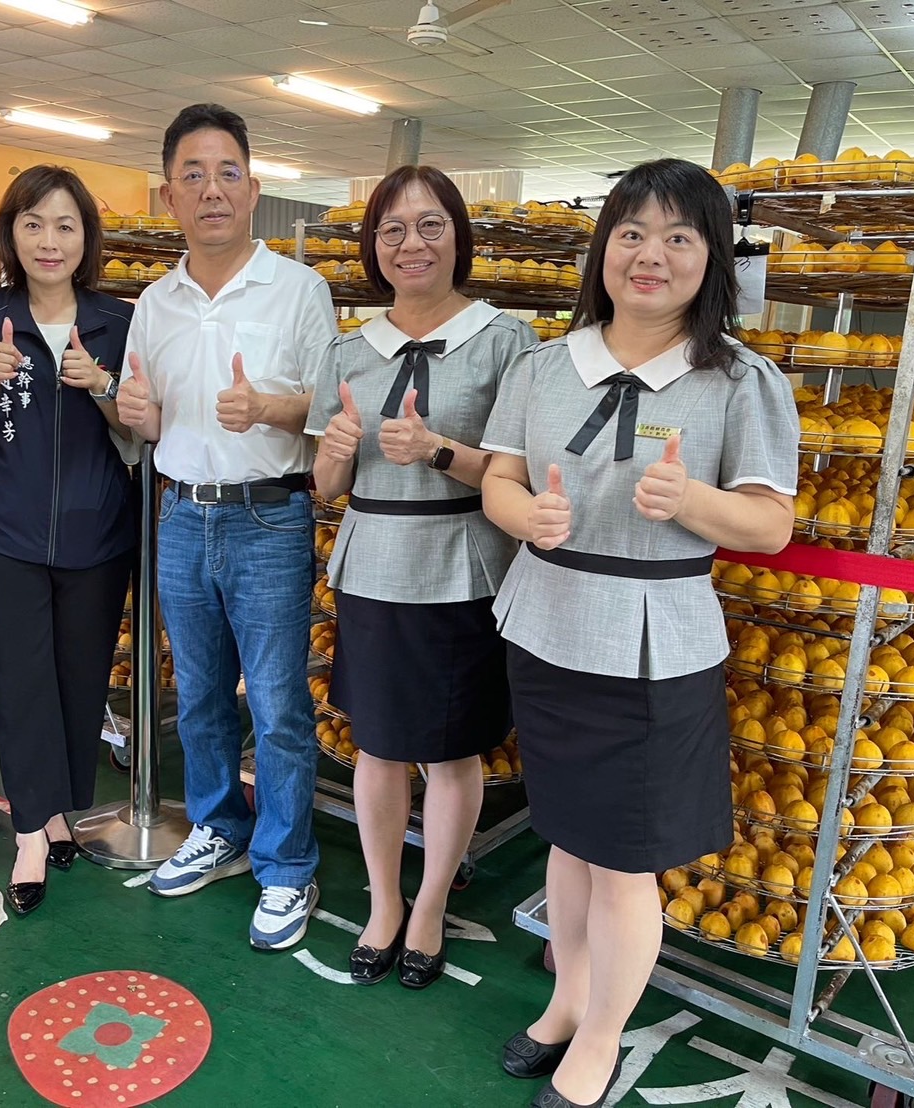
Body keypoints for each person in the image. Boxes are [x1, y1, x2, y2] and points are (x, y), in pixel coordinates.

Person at [479, 158, 798, 1107]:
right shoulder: (544, 366)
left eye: (678, 237)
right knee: (567, 837)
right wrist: (524, 516)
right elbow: (498, 478)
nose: (649, 255)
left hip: (654, 644)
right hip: (547, 626)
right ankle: (569, 1000)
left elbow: (771, 525)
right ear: (603, 249)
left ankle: (601, 1039)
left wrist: (693, 500)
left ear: (712, 259)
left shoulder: (740, 381)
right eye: (630, 233)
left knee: (624, 861)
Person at [307, 166, 535, 988]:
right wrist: (336, 454)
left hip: (463, 569)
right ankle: (384, 903)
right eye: (393, 228)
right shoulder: (347, 350)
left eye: (431, 224)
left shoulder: (506, 342)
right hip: (373, 566)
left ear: (458, 236)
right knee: (376, 747)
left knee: (451, 751)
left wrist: (438, 450)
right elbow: (325, 484)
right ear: (374, 245)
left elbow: (518, 471)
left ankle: (431, 905)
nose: (412, 243)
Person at [117, 103, 337, 950]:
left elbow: (330, 410)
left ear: (253, 188)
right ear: (169, 194)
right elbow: (144, 414)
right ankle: (219, 829)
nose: (212, 190)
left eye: (228, 173)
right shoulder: (155, 303)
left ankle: (286, 863)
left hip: (268, 517)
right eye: (193, 175)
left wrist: (269, 408)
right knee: (200, 696)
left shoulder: (299, 289)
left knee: (278, 705)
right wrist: (136, 413)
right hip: (180, 513)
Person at [0, 166, 137, 916]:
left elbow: (140, 434)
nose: (49, 241)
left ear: (86, 238)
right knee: (22, 682)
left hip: (99, 532)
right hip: (5, 532)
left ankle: (58, 811)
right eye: (33, 224)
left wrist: (104, 386)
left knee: (81, 680)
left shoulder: (119, 321)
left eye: (64, 225)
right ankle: (31, 830)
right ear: (11, 234)